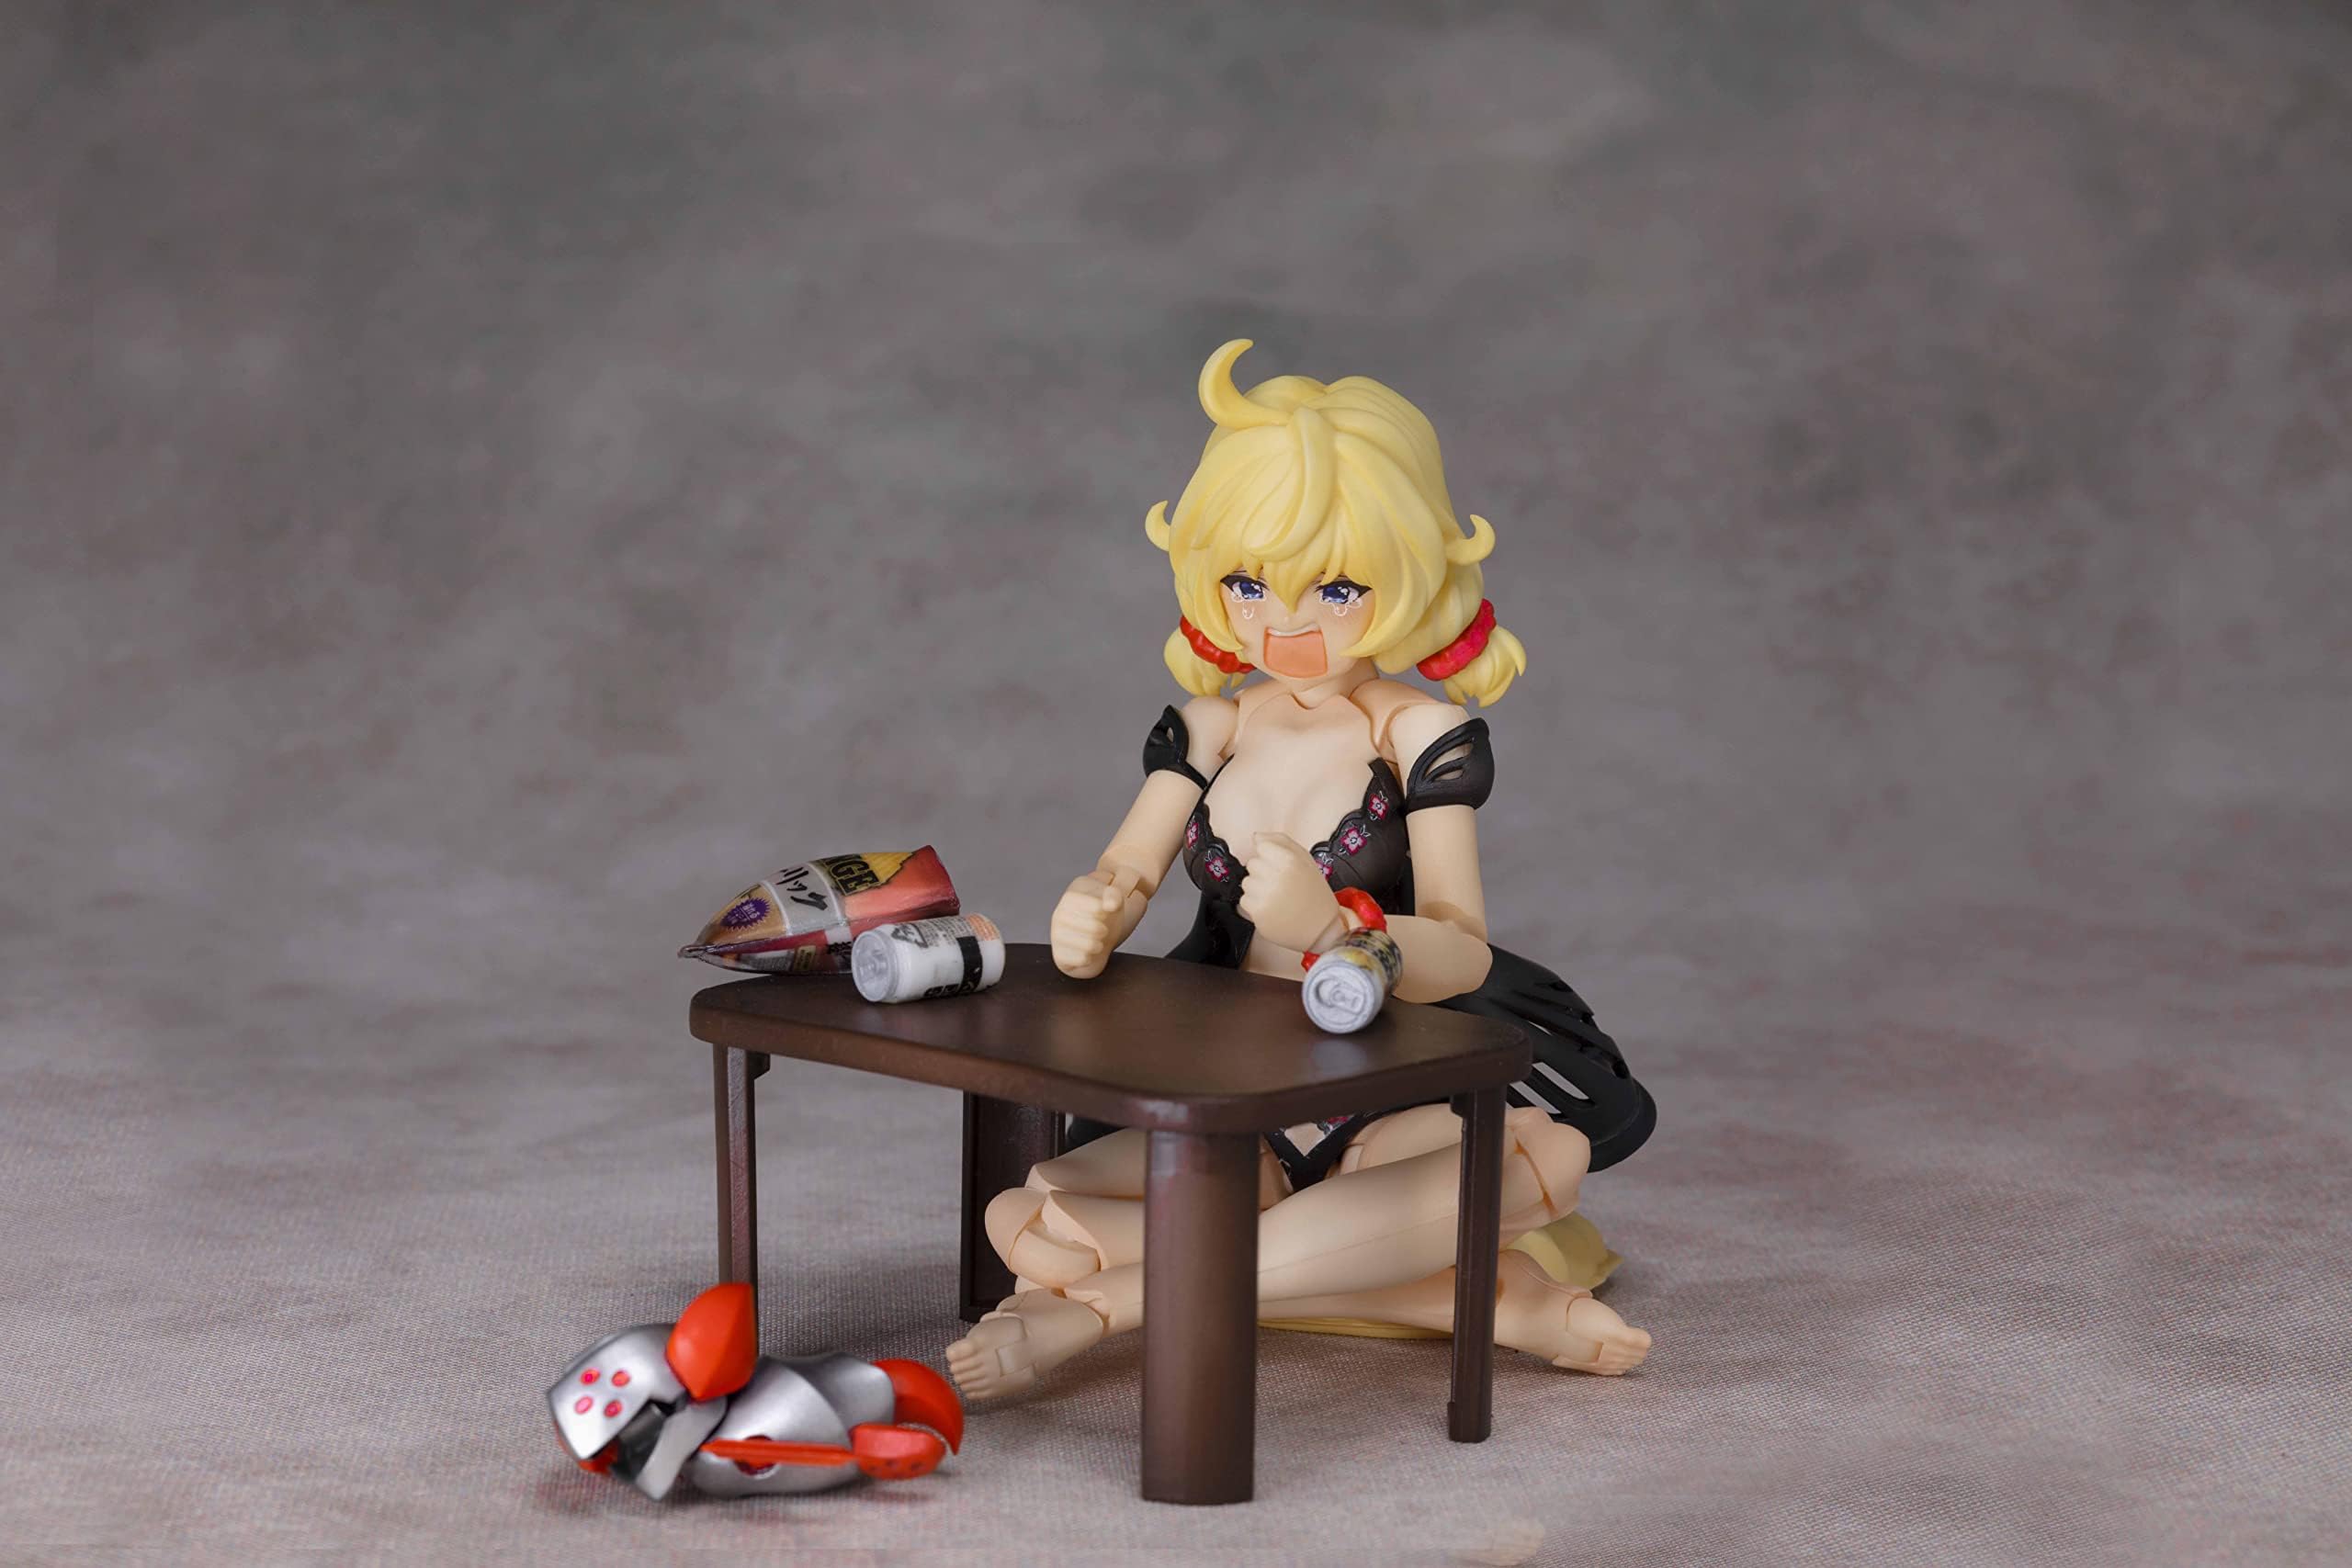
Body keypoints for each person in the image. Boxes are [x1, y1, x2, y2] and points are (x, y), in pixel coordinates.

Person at [945, 341, 1656, 1400]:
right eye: (1246, 585)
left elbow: (1461, 948)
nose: (1284, 625)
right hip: (1229, 1095)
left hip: (1384, 1087)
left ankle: (1102, 1310)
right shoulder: (1211, 727)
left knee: (1544, 1161)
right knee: (1026, 1215)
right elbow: (1125, 870)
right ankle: (1487, 1302)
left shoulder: (1417, 733)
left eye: (1334, 589)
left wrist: (1335, 930)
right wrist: (1094, 915)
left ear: (1403, 572)